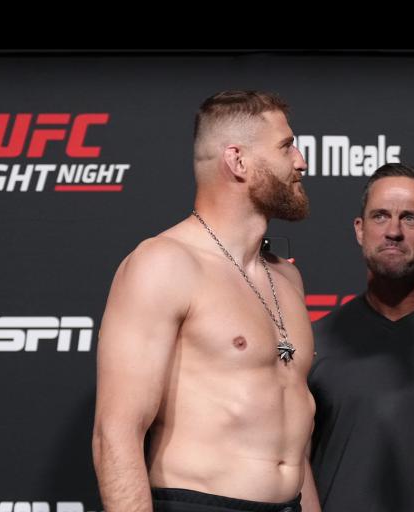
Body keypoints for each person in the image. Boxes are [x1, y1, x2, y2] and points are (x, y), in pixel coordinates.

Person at [92, 90, 316, 512]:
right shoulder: (164, 264)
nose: (301, 160)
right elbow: (115, 433)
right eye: (287, 146)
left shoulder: (287, 277)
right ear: (237, 161)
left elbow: (295, 441)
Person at [303, 163, 414, 511]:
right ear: (359, 230)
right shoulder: (315, 341)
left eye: (410, 218)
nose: (393, 231)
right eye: (380, 216)